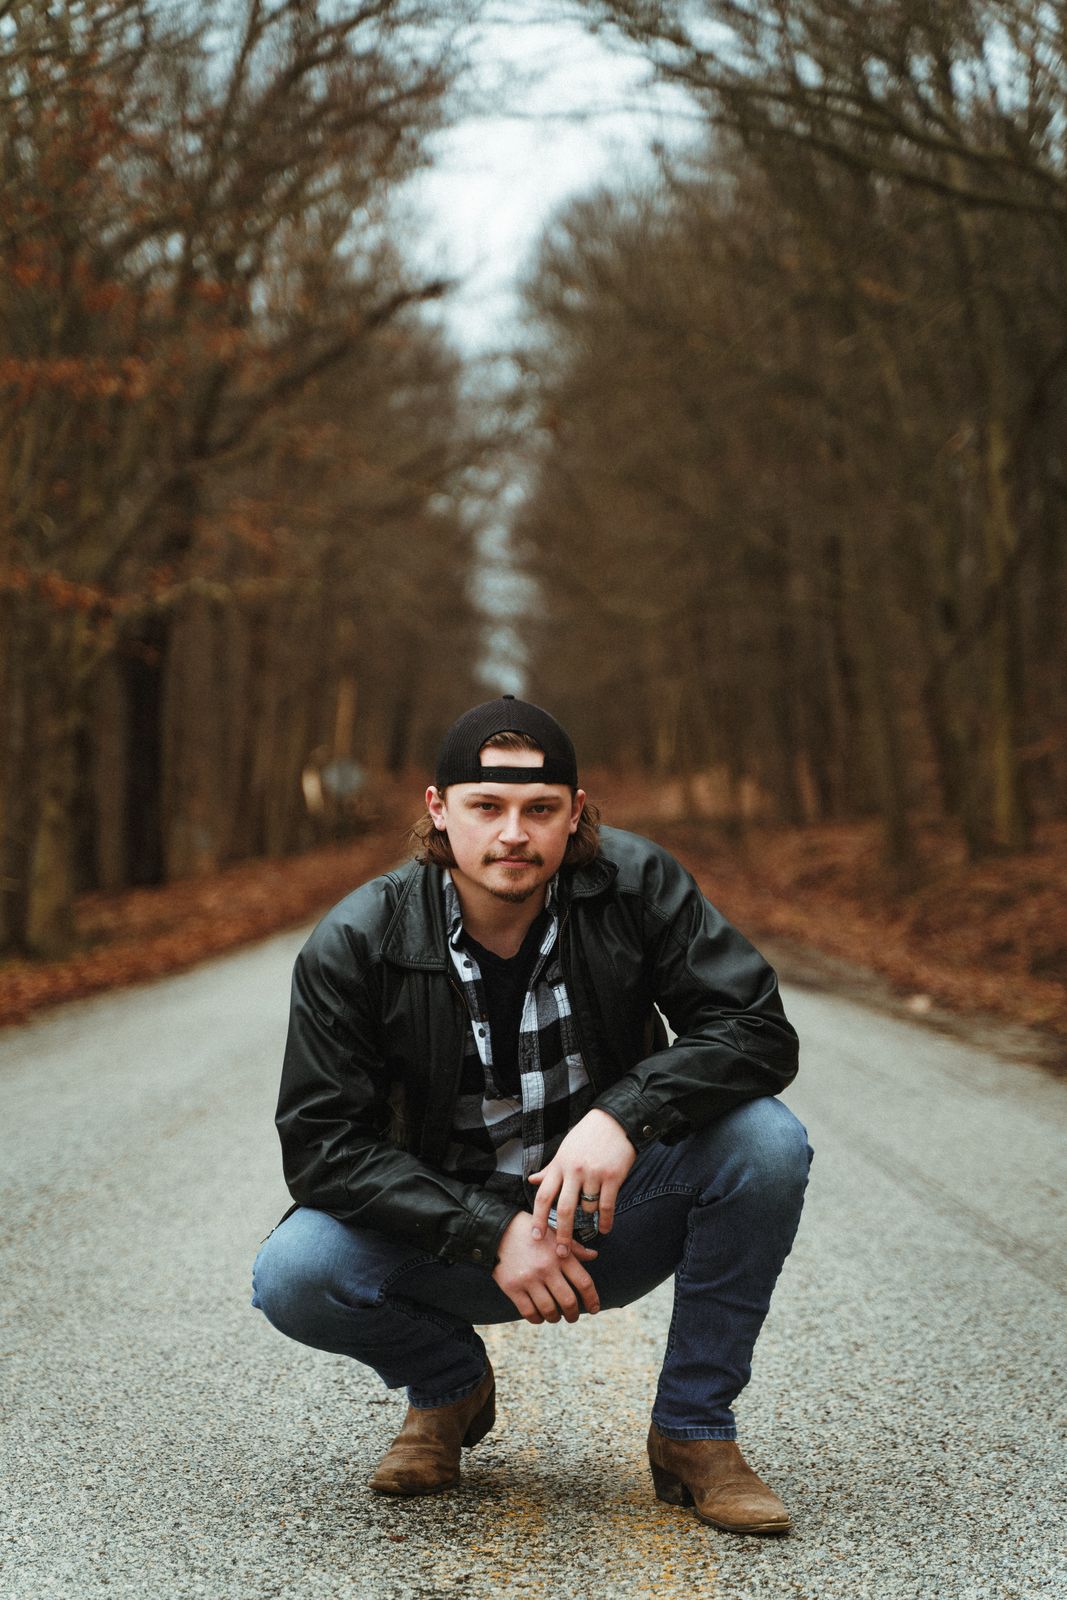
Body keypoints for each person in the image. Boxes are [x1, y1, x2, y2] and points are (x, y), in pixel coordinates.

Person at [252, 695, 812, 1534]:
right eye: (487, 807)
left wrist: (622, 1116)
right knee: (294, 1273)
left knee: (766, 1141)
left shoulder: (636, 887)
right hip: (451, 1243)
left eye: (539, 810)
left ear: (574, 813)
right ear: (439, 809)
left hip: (608, 1220)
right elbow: (322, 1147)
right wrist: (490, 1231)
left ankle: (694, 1432)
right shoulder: (359, 940)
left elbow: (756, 1031)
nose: (513, 834)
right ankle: (447, 1389)